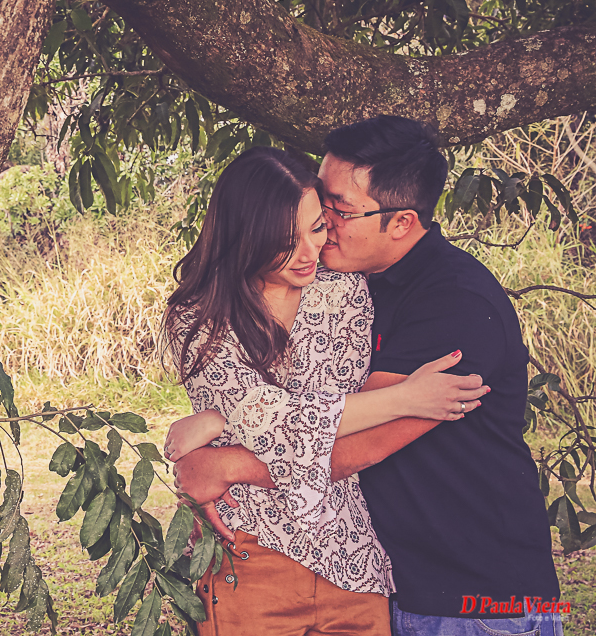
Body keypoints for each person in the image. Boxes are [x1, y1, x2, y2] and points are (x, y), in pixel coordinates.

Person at [172, 117, 562, 636]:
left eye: (340, 209)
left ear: (400, 222)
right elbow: (284, 400)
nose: (324, 223)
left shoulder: (454, 301)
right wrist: (224, 416)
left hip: (477, 594)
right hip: (403, 579)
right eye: (322, 202)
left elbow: (366, 441)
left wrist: (224, 465)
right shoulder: (359, 280)